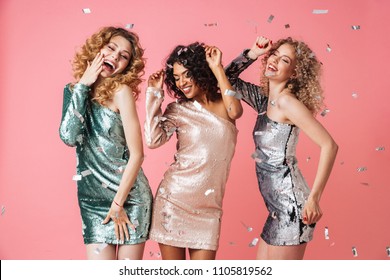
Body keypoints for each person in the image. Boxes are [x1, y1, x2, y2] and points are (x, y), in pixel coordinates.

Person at [225, 36, 338, 260]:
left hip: (292, 207)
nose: (274, 60)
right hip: (276, 209)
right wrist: (253, 54)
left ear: (294, 73)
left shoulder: (287, 103)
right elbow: (227, 78)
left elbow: (329, 146)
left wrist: (314, 198)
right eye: (274, 54)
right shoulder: (263, 99)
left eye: (284, 60)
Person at [59, 26, 153, 260]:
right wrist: (83, 85)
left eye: (124, 56)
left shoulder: (121, 92)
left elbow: (137, 155)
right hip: (93, 202)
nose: (115, 56)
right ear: (97, 49)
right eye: (111, 48)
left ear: (127, 66)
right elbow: (68, 137)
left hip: (128, 198)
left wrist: (118, 203)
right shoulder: (73, 91)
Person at [144, 42, 243, 260]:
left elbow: (235, 111)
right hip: (174, 201)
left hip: (209, 209)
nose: (181, 83)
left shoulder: (226, 105)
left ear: (200, 71)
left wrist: (217, 67)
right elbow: (152, 140)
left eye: (187, 75)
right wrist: (154, 94)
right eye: (177, 78)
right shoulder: (178, 110)